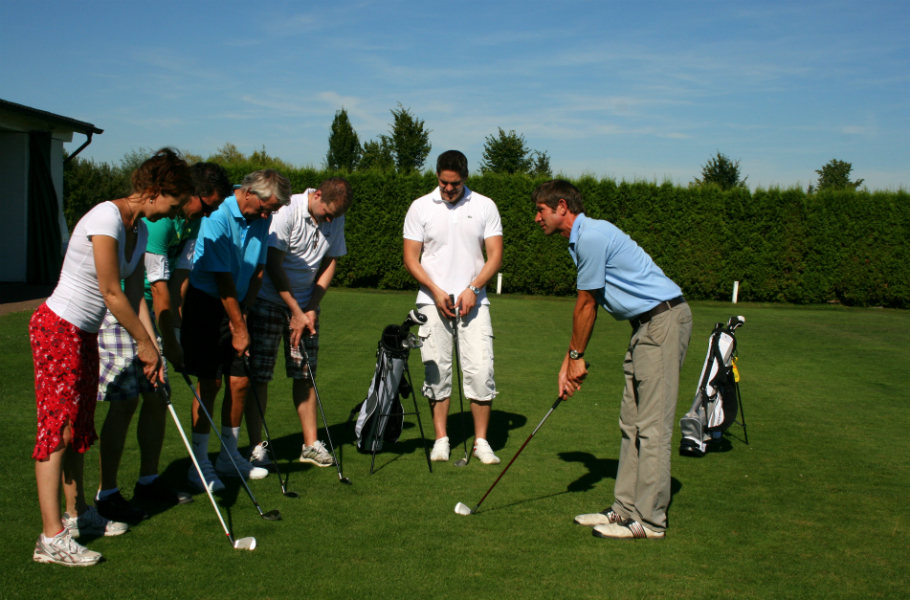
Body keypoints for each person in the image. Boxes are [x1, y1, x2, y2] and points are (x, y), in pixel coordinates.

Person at [30, 148, 193, 566]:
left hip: (83, 333)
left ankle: (79, 513)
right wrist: (140, 342)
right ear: (155, 192)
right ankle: (50, 537)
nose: (174, 215)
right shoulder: (105, 217)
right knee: (58, 431)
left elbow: (135, 294)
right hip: (57, 327)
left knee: (80, 426)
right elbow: (111, 291)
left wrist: (152, 347)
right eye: (173, 205)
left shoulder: (139, 232)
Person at [531, 179, 693, 540]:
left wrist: (575, 358)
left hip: (663, 321)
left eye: (540, 210)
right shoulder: (582, 239)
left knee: (652, 427)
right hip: (644, 327)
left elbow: (586, 304)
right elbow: (588, 309)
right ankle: (623, 510)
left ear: (561, 207)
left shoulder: (591, 236)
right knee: (631, 422)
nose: (536, 218)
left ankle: (650, 522)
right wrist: (568, 362)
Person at [93, 162, 233, 523]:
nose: (212, 212)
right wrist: (166, 341)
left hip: (151, 313)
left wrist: (173, 331)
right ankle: (107, 492)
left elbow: (177, 282)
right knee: (124, 403)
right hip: (121, 309)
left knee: (158, 397)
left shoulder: (194, 220)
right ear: (191, 195)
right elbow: (155, 287)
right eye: (208, 205)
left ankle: (148, 480)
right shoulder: (158, 222)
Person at [180, 169, 291, 492]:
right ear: (248, 192)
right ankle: (199, 463)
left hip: (238, 304)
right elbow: (222, 278)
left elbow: (257, 270)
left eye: (272, 210)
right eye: (266, 207)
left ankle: (229, 456)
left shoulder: (262, 217)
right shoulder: (218, 216)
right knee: (210, 381)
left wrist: (244, 310)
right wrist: (239, 326)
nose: (267, 214)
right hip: (207, 303)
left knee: (240, 381)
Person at [403, 150, 503, 465]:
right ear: (437, 176)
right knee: (436, 370)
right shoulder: (420, 207)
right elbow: (410, 258)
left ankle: (481, 442)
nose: (448, 189)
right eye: (444, 183)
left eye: (455, 184)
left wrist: (473, 288)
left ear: (465, 178)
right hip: (432, 302)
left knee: (481, 370)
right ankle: (441, 440)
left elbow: (495, 254)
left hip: (475, 302)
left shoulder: (485, 206)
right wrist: (435, 291)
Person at [245, 177, 352, 468]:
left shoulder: (334, 216)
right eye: (327, 214)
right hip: (269, 301)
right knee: (261, 376)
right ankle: (257, 447)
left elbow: (331, 261)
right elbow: (273, 262)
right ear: (317, 195)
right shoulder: (287, 210)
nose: (330, 220)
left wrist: (311, 307)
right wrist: (295, 310)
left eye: (335, 217)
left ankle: (310, 444)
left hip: (306, 309)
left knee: (305, 375)